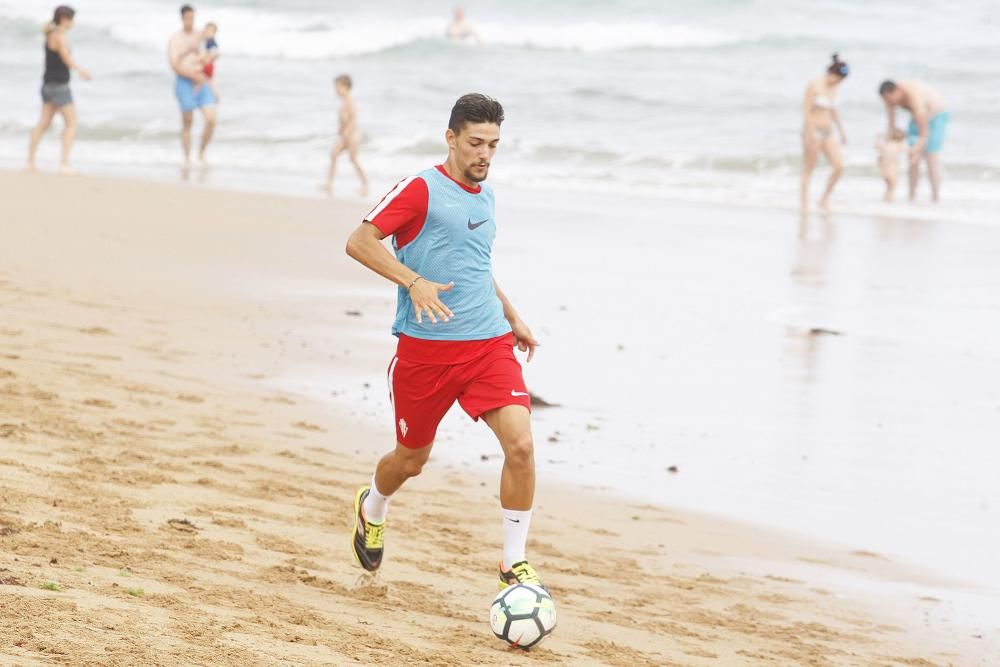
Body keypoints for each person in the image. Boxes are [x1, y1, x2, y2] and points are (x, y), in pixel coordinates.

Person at [345, 94, 545, 591]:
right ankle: (373, 506)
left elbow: (475, 264)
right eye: (476, 143)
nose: (485, 154)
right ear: (451, 137)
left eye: (494, 145)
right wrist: (413, 282)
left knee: (520, 444)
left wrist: (510, 313)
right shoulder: (420, 189)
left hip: (486, 345)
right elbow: (359, 241)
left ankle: (512, 563)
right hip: (426, 353)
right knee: (410, 461)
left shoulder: (487, 196)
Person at [26, 5, 91, 174]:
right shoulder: (59, 36)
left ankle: (30, 162)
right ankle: (64, 164)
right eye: (72, 19)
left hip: (47, 85)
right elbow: (66, 58)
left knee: (43, 123)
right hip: (59, 86)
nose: (73, 23)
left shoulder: (49, 33)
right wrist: (82, 71)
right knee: (71, 123)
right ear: (64, 19)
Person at [879, 80, 949, 202]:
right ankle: (912, 197)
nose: (889, 103)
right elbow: (891, 125)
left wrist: (919, 146)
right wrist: (886, 147)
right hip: (917, 117)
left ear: (896, 92)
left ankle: (935, 197)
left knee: (930, 156)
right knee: (912, 158)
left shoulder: (913, 95)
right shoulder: (888, 98)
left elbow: (924, 130)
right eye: (886, 101)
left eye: (890, 99)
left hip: (937, 115)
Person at [167, 4, 216, 165]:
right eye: (188, 18)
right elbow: (174, 65)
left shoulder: (200, 35)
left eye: (193, 17)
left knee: (211, 119)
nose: (191, 20)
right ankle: (187, 158)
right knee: (188, 121)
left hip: (202, 80)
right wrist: (193, 76)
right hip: (185, 82)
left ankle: (202, 153)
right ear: (182, 18)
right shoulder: (175, 38)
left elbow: (212, 48)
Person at [801, 54, 849, 211]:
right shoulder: (815, 85)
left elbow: (833, 110)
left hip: (828, 131)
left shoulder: (835, 88)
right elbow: (806, 110)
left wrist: (842, 132)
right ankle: (804, 204)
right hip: (813, 130)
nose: (838, 82)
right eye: (838, 79)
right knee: (809, 168)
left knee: (839, 166)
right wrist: (811, 132)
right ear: (831, 73)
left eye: (841, 81)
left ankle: (824, 199)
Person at [323, 74, 369, 197]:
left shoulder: (350, 100)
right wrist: (341, 129)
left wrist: (346, 131)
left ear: (345, 87)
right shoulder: (344, 101)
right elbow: (344, 119)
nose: (336, 90)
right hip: (345, 135)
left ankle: (365, 184)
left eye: (338, 87)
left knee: (353, 159)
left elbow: (354, 118)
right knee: (333, 155)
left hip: (352, 135)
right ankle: (329, 184)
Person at [875, 128, 906, 201]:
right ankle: (889, 200)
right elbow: (909, 151)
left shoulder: (886, 145)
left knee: (888, 187)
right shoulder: (898, 145)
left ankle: (886, 199)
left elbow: (876, 146)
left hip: (884, 171)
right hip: (892, 171)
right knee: (892, 187)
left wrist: (878, 137)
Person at [197, 22, 220, 102]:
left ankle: (216, 95)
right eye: (207, 31)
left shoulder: (211, 42)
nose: (207, 33)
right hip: (207, 64)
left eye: (210, 32)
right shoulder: (206, 40)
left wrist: (207, 58)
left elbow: (214, 53)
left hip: (208, 65)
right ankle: (215, 94)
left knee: (209, 80)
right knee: (206, 80)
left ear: (214, 33)